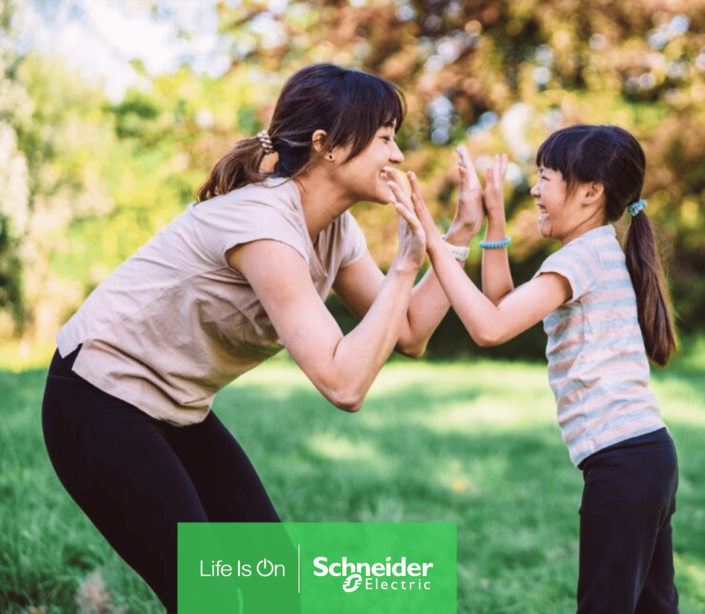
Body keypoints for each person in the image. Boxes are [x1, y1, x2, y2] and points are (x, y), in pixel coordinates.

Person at [40, 63, 483, 613]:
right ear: (328, 146)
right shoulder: (263, 222)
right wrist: (404, 266)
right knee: (210, 597)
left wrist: (458, 236)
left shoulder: (335, 229)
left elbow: (410, 332)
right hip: (96, 400)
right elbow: (344, 384)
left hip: (177, 407)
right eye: (386, 139)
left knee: (275, 589)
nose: (397, 156)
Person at [407, 124, 681, 613]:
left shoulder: (582, 258)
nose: (534, 188)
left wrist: (434, 238)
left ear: (590, 192)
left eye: (547, 177)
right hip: (646, 455)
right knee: (653, 606)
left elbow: (489, 328)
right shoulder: (593, 253)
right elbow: (503, 304)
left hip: (623, 464)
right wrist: (494, 221)